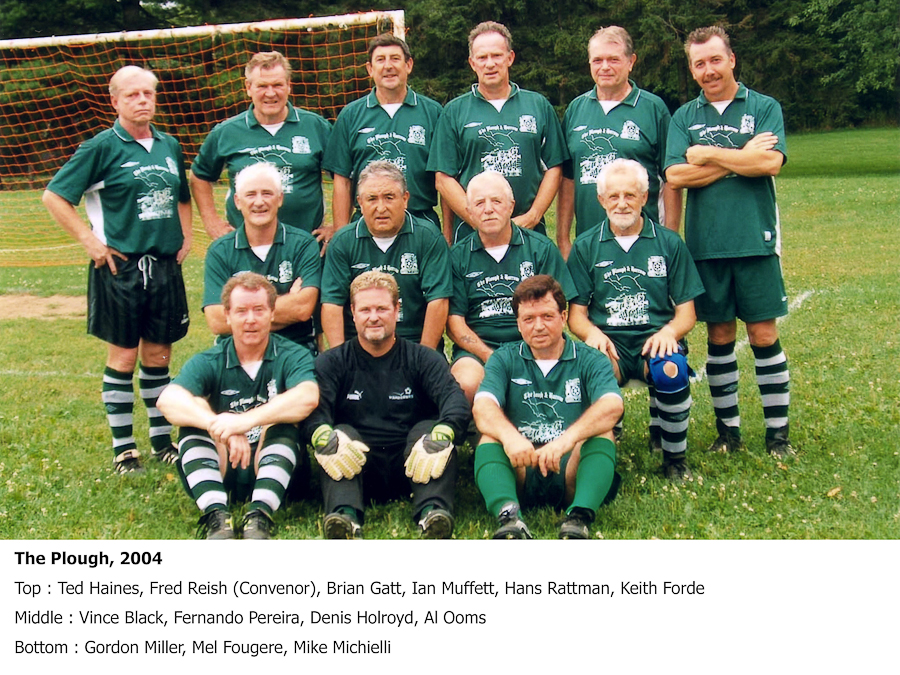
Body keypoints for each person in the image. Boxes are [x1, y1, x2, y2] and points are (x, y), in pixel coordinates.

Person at [42, 65, 192, 474]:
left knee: (158, 355)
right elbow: (54, 196)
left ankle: (161, 441)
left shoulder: (169, 145)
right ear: (115, 101)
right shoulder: (101, 147)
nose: (142, 101)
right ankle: (124, 449)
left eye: (148, 93)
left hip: (163, 267)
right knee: (124, 357)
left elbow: (182, 195)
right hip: (120, 268)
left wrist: (186, 235)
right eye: (132, 95)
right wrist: (89, 240)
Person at [665, 26, 793, 457]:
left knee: (763, 334)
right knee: (719, 336)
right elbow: (675, 175)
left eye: (715, 60)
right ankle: (728, 434)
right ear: (692, 69)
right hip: (706, 245)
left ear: (732, 59)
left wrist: (708, 153)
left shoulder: (763, 106)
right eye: (699, 63)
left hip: (756, 240)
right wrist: (742, 155)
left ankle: (778, 436)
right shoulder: (684, 117)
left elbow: (770, 163)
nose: (709, 70)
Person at [567, 159, 704, 481]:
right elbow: (576, 315)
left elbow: (687, 312)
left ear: (645, 197)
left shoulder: (668, 243)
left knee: (671, 369)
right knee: (593, 371)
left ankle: (674, 459)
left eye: (630, 195)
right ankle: (604, 448)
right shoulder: (586, 246)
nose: (622, 203)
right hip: (609, 344)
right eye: (613, 196)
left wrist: (669, 332)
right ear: (601, 200)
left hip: (652, 341)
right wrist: (592, 335)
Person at [305, 271, 470, 539]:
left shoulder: (423, 359)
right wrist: (322, 435)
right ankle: (344, 517)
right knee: (339, 434)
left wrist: (445, 431)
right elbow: (314, 411)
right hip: (356, 466)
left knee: (429, 430)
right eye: (365, 310)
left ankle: (433, 513)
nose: (374, 317)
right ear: (353, 313)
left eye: (382, 308)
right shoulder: (332, 362)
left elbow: (455, 400)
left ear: (396, 310)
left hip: (414, 465)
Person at [157, 273, 319, 539]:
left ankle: (260, 515)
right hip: (222, 469)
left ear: (272, 313)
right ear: (228, 315)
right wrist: (220, 426)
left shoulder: (293, 354)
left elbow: (308, 396)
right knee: (193, 417)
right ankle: (216, 516)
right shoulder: (210, 359)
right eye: (241, 311)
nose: (250, 319)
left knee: (282, 422)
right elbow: (168, 399)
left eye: (259, 310)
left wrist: (246, 421)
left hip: (279, 472)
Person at [473, 275, 623, 539]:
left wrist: (565, 441)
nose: (538, 326)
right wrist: (510, 438)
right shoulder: (503, 358)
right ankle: (509, 515)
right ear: (518, 324)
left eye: (547, 316)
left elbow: (612, 405)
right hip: (521, 467)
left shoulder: (591, 359)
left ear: (563, 317)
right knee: (490, 436)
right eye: (528, 319)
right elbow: (482, 406)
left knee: (602, 431)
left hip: (570, 471)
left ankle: (579, 516)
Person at [428, 21, 567, 244]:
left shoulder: (538, 105)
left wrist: (533, 215)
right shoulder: (454, 111)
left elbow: (555, 167)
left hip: (528, 233)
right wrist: (479, 221)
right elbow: (444, 179)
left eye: (497, 56)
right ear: (472, 63)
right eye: (482, 57)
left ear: (510, 58)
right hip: (472, 236)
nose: (490, 64)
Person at [448, 171, 576, 404]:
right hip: (478, 349)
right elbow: (454, 323)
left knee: (556, 379)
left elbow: (558, 311)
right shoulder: (456, 256)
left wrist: (531, 351)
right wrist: (490, 356)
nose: (488, 209)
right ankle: (477, 422)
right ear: (469, 211)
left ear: (511, 206)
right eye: (479, 203)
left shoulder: (540, 249)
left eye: (497, 201)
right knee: (465, 383)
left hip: (535, 344)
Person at [557, 26, 681, 260]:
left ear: (631, 61)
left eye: (613, 59)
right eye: (597, 60)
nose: (605, 67)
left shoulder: (653, 109)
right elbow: (568, 179)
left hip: (645, 243)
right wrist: (563, 239)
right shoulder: (576, 109)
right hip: (590, 245)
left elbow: (671, 179)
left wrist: (670, 238)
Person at [190, 52, 333, 245]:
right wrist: (212, 222)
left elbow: (343, 176)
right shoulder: (227, 132)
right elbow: (199, 176)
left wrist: (338, 225)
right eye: (262, 86)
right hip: (244, 248)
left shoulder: (316, 127)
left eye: (277, 85)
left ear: (289, 85)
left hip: (306, 247)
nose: (271, 93)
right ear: (248, 87)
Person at [320, 161, 451, 350]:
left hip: (414, 344)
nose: (381, 208)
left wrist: (423, 358)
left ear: (405, 199)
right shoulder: (342, 242)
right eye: (372, 199)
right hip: (358, 346)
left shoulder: (429, 238)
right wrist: (340, 358)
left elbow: (438, 302)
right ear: (360, 202)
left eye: (389, 197)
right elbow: (332, 304)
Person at [323, 33, 444, 231]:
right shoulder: (350, 115)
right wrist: (341, 236)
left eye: (395, 58)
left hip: (420, 222)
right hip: (367, 223)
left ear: (408, 65)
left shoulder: (433, 112)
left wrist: (447, 236)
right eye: (380, 60)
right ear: (370, 69)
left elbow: (445, 177)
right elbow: (342, 181)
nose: (388, 66)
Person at [203, 162, 321, 353]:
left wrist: (239, 314)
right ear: (237, 201)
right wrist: (288, 302)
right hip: (237, 353)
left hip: (294, 349)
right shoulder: (220, 251)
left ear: (280, 198)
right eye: (250, 195)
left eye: (267, 193)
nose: (259, 202)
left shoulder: (304, 244)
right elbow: (216, 320)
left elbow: (302, 309)